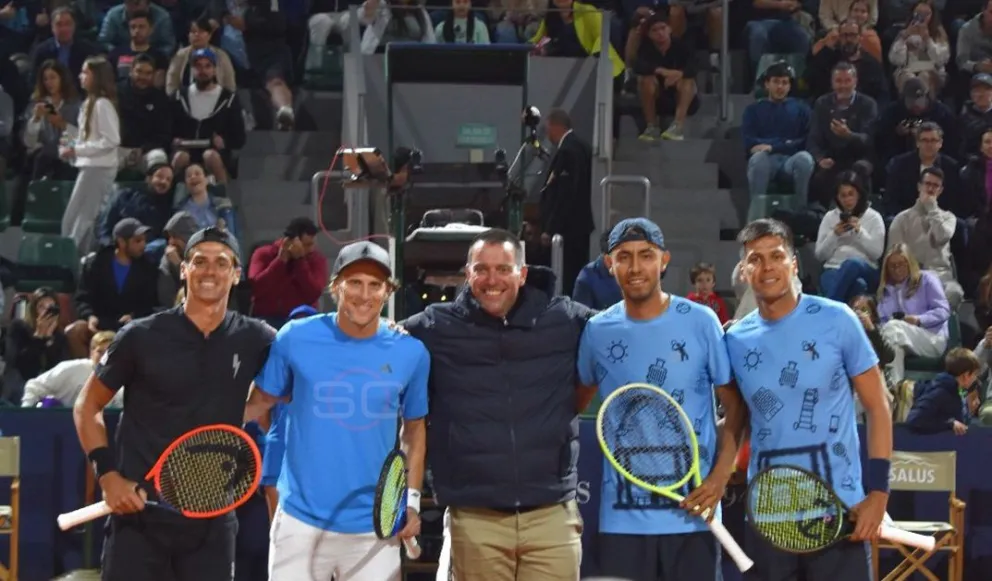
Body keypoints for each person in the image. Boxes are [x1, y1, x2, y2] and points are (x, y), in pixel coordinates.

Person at [72, 227, 275, 581]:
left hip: (212, 524)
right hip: (138, 521)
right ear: (184, 269)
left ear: (237, 274)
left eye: (221, 262)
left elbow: (298, 379)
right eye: (199, 261)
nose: (210, 271)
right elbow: (86, 406)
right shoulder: (139, 336)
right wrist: (109, 477)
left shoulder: (257, 338)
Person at [402, 228, 594, 581]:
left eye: (503, 269)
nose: (492, 279)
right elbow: (379, 342)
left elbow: (624, 332)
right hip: (475, 517)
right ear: (467, 274)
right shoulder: (434, 326)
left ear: (522, 273)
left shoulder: (565, 318)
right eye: (482, 269)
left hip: (551, 515)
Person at [243, 241, 429, 580]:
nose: (364, 293)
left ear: (388, 292)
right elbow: (259, 402)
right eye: (354, 282)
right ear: (335, 287)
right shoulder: (295, 338)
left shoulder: (411, 352)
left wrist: (411, 501)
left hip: (374, 525)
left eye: (375, 285)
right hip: (299, 523)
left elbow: (414, 430)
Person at [576, 218, 747, 580]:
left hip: (694, 520)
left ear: (664, 260)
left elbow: (734, 404)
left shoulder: (702, 321)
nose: (635, 267)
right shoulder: (597, 330)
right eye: (623, 257)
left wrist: (719, 477)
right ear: (610, 265)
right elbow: (576, 401)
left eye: (646, 255)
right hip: (621, 524)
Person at [725, 218, 892, 581]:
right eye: (755, 259)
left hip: (838, 513)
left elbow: (879, 406)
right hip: (769, 521)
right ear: (743, 270)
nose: (766, 267)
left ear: (794, 263)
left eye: (776, 256)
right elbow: (736, 421)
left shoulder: (838, 319)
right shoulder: (734, 340)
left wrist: (878, 493)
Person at [540, 108, 594, 297]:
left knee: (569, 276)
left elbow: (565, 193)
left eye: (548, 129)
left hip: (569, 228)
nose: (547, 134)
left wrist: (551, 227)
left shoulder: (568, 150)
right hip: (579, 225)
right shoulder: (582, 146)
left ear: (556, 126)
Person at [905, 347, 981, 434]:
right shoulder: (940, 392)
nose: (975, 378)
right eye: (975, 374)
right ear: (966, 375)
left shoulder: (959, 391)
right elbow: (915, 419)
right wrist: (949, 424)